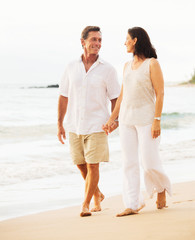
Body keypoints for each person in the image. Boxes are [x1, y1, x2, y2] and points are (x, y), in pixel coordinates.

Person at [103, 27, 172, 217]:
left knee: (149, 162)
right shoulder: (126, 66)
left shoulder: (152, 64)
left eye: (126, 39)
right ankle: (132, 204)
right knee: (129, 163)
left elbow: (160, 93)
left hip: (147, 119)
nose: (124, 43)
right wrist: (111, 119)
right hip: (126, 120)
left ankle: (160, 188)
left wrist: (157, 120)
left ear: (135, 40)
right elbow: (122, 96)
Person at [57, 26, 120, 217]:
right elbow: (63, 96)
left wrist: (113, 119)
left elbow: (116, 98)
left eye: (100, 40)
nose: (97, 44)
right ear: (82, 41)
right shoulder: (70, 67)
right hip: (74, 124)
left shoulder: (107, 69)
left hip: (98, 124)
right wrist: (60, 123)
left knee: (93, 164)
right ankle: (98, 194)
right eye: (93, 39)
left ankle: (86, 203)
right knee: (80, 163)